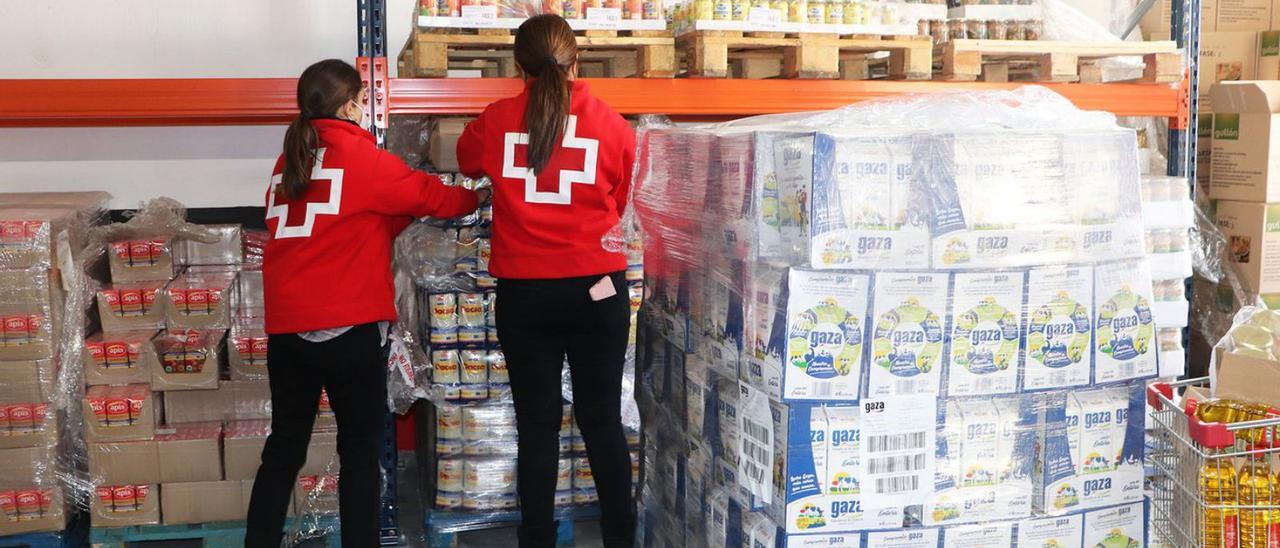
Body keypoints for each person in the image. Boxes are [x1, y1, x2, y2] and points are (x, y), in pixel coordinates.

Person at [247, 59, 485, 547]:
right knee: (359, 452)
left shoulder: (288, 161)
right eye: (360, 101)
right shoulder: (362, 159)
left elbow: (345, 224)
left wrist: (395, 223)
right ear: (351, 104)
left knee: (283, 450)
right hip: (347, 329)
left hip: (289, 332)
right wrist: (475, 199)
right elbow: (428, 195)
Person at [456, 14, 637, 548]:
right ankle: (620, 540)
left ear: (520, 67)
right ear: (575, 59)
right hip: (597, 289)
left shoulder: (497, 120)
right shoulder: (613, 124)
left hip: (526, 295)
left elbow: (467, 160)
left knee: (536, 428)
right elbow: (621, 203)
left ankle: (536, 539)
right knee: (601, 423)